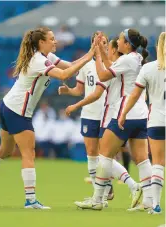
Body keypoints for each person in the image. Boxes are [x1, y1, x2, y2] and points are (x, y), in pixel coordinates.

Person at [0, 27, 95, 209]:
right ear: (41, 43)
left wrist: (90, 56)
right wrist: (90, 54)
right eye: (51, 39)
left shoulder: (47, 58)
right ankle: (30, 200)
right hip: (18, 111)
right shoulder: (38, 60)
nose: (55, 41)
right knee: (29, 153)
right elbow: (64, 75)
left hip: (9, 106)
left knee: (4, 150)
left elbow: (70, 67)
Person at [76, 28, 152, 211]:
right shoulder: (136, 58)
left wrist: (98, 54)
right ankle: (149, 201)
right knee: (142, 159)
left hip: (125, 113)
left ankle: (97, 199)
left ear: (127, 43)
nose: (117, 43)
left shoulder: (126, 59)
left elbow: (103, 74)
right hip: (141, 114)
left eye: (119, 40)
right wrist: (101, 50)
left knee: (104, 155)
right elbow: (112, 66)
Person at [64, 36, 141, 209]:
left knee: (101, 157)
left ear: (111, 47)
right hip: (90, 115)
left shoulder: (110, 67)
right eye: (98, 42)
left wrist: (75, 105)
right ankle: (102, 195)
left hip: (106, 115)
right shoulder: (89, 65)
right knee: (95, 156)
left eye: (105, 42)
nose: (101, 45)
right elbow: (80, 89)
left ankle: (114, 191)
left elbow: (97, 93)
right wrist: (70, 91)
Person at [118, 32, 165, 214]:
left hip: (157, 121)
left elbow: (135, 95)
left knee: (158, 163)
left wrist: (123, 114)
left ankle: (156, 205)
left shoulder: (149, 69)